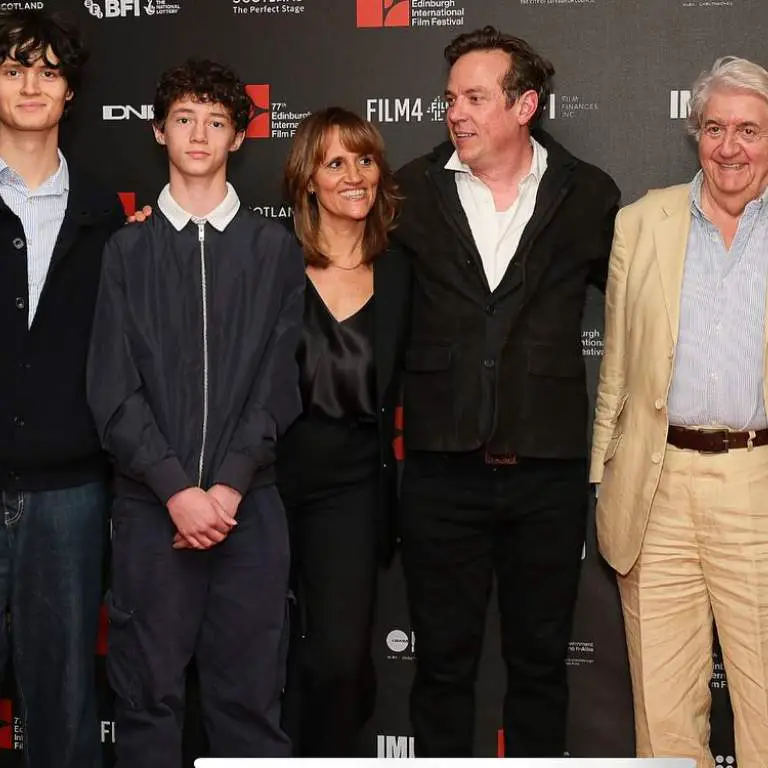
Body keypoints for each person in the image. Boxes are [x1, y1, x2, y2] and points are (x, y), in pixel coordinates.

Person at [393, 26, 620, 757]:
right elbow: (344, 276)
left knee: (540, 669)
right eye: (450, 97)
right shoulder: (410, 191)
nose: (455, 112)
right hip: (439, 470)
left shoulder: (588, 194)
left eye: (475, 97)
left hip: (546, 471)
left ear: (525, 105)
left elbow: (644, 298)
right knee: (441, 669)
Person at [87, 59, 304, 766]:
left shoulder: (274, 250)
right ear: (159, 132)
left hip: (249, 512)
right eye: (184, 118)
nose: (200, 133)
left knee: (248, 706)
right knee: (147, 705)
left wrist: (226, 488)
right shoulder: (128, 250)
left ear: (239, 137)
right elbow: (112, 390)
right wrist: (178, 491)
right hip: (153, 515)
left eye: (216, 120)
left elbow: (279, 386)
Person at [592, 56, 768, 768]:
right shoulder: (641, 222)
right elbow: (616, 372)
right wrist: (608, 475)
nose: (731, 147)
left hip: (756, 487)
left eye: (750, 130)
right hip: (655, 489)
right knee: (663, 729)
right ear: (695, 134)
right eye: (716, 128)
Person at [0, 10, 124, 768]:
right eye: (14, 69)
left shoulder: (105, 217)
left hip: (71, 498)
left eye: (47, 70)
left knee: (67, 712)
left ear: (70, 91)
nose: (30, 85)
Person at [277, 107, 410, 756]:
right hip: (263, 483)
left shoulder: (402, 273)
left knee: (338, 659)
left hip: (353, 488)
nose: (354, 175)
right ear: (308, 179)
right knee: (256, 653)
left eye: (364, 159)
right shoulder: (271, 264)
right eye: (335, 162)